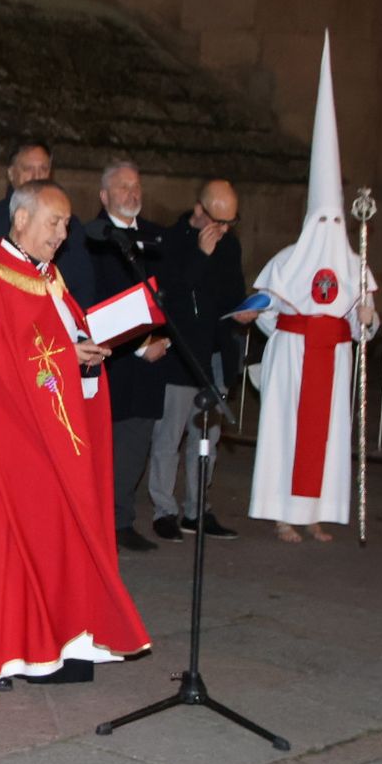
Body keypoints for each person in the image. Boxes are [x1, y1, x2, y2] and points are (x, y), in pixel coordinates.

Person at [0, 182, 150, 689]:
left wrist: (86, 351)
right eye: (54, 222)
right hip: (2, 441)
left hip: (50, 436)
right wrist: (64, 357)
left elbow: (61, 339)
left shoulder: (50, 279)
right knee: (5, 547)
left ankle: (58, 646)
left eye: (67, 224)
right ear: (21, 219)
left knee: (55, 543)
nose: (62, 234)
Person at [250, 35, 376, 542]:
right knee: (287, 431)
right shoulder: (287, 260)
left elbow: (365, 316)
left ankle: (316, 512)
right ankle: (284, 513)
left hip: (334, 357)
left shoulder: (354, 262)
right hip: (293, 357)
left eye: (334, 219)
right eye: (320, 219)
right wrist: (282, 331)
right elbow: (265, 306)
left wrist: (366, 320)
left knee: (327, 436)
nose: (327, 228)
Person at [146, 178, 251, 542]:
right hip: (181, 353)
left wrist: (243, 312)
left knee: (207, 436)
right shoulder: (170, 240)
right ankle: (164, 510)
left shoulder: (230, 245)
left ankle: (197, 509)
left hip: (216, 353)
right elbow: (169, 295)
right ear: (198, 210)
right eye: (218, 221)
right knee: (169, 436)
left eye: (231, 222)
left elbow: (232, 294)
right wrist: (200, 256)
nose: (224, 230)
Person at [83, 159, 169, 552]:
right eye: (122, 187)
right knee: (103, 443)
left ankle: (121, 520)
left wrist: (163, 339)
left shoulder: (155, 237)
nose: (132, 194)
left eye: (136, 187)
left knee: (136, 443)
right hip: (112, 358)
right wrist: (137, 344)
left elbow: (169, 292)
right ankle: (95, 523)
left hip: (153, 358)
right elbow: (94, 299)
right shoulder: (91, 239)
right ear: (104, 195)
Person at [0, 139, 94, 307]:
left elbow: (83, 284)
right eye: (28, 169)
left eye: (43, 169)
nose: (37, 176)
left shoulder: (72, 225)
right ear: (11, 173)